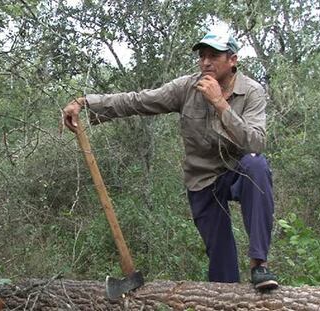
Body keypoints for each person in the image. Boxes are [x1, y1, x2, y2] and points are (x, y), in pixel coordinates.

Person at [63, 30, 279, 290]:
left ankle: (260, 265)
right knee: (222, 269)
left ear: (232, 60)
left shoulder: (252, 92)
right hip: (203, 179)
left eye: (214, 56)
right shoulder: (186, 88)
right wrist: (86, 102)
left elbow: (255, 142)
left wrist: (220, 104)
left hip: (237, 171)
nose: (206, 62)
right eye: (202, 56)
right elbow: (139, 101)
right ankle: (227, 299)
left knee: (257, 164)